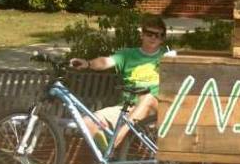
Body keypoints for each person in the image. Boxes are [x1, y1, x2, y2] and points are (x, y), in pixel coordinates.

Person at [69, 15, 168, 151]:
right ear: (142, 35)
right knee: (88, 122)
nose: (153, 38)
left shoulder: (167, 57)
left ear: (162, 39)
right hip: (127, 109)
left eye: (158, 35)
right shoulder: (127, 55)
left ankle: (114, 143)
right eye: (149, 33)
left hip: (154, 110)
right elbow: (105, 62)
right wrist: (88, 63)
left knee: (147, 98)